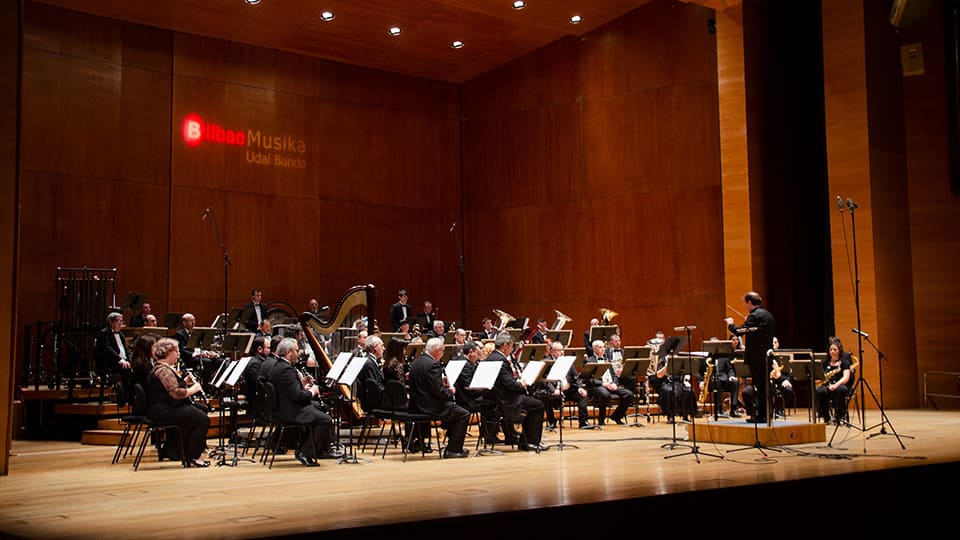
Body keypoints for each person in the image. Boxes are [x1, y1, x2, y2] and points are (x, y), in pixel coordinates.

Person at [266, 337, 340, 466]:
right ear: (289, 352)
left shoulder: (279, 366)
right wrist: (313, 391)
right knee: (325, 420)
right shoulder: (286, 370)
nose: (299, 352)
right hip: (290, 411)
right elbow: (298, 396)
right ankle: (305, 451)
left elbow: (289, 390)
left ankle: (321, 448)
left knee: (322, 408)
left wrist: (302, 384)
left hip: (285, 406)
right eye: (296, 350)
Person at [146, 337, 211, 467]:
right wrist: (193, 389)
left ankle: (183, 451)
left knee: (200, 411)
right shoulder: (163, 370)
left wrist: (184, 382)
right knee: (203, 420)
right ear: (169, 353)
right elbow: (176, 393)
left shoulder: (162, 368)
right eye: (176, 351)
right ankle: (193, 456)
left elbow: (170, 387)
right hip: (164, 410)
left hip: (166, 407)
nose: (178, 354)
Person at [408, 337, 471, 458]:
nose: (443, 354)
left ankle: (453, 446)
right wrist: (450, 391)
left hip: (416, 406)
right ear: (436, 351)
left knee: (455, 412)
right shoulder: (433, 365)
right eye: (442, 350)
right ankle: (453, 449)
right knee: (463, 414)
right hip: (430, 407)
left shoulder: (416, 362)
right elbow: (438, 392)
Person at [485, 332, 546, 452]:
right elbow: (510, 384)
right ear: (505, 346)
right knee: (538, 406)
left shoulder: (490, 357)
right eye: (512, 346)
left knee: (531, 405)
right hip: (507, 400)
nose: (512, 349)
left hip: (496, 399)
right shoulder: (501, 360)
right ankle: (531, 442)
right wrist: (522, 384)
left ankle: (525, 441)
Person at [725, 291, 775, 423]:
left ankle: (761, 416)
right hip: (766, 356)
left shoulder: (755, 316)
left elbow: (739, 332)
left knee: (759, 386)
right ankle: (766, 414)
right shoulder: (767, 315)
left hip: (757, 358)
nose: (744, 306)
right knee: (763, 386)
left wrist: (731, 324)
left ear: (749, 302)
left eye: (745, 303)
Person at [454, 340, 500, 443]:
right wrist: (485, 389)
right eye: (477, 353)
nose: (478, 356)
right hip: (467, 401)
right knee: (494, 402)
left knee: (493, 398)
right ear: (471, 352)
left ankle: (488, 434)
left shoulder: (466, 363)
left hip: (468, 398)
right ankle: (490, 436)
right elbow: (469, 388)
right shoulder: (465, 365)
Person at [582, 340, 632, 425]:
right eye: (600, 347)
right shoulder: (589, 361)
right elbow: (588, 379)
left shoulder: (607, 359)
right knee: (604, 394)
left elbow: (614, 375)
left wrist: (614, 384)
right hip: (597, 386)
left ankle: (617, 416)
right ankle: (601, 419)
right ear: (594, 349)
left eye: (603, 347)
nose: (603, 349)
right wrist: (603, 384)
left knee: (628, 394)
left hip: (610, 384)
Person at [650, 336, 695, 423]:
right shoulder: (663, 358)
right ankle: (670, 415)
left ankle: (686, 414)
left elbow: (686, 370)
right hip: (668, 382)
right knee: (669, 391)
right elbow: (659, 375)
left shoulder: (680, 357)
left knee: (689, 390)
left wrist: (686, 378)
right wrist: (667, 366)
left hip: (679, 382)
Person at [698, 337, 742, 418]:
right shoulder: (705, 358)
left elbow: (730, 369)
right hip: (711, 382)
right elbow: (699, 372)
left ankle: (733, 409)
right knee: (717, 381)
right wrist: (700, 381)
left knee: (734, 382)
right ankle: (719, 410)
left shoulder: (725, 357)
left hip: (724, 380)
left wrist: (731, 376)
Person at [816, 336, 855, 425]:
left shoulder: (844, 361)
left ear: (839, 350)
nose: (832, 352)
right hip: (828, 386)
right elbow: (820, 378)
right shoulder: (825, 363)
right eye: (831, 350)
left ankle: (838, 417)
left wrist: (835, 385)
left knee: (841, 389)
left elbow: (846, 377)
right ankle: (826, 418)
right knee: (821, 391)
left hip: (840, 385)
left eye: (835, 350)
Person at [93, 311, 130, 382]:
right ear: (110, 321)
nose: (120, 323)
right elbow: (108, 348)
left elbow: (124, 350)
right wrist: (120, 359)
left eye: (121, 321)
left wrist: (128, 360)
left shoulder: (121, 335)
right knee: (126, 369)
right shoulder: (104, 333)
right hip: (111, 361)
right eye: (118, 321)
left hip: (122, 360)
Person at [356, 334, 386, 412]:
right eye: (382, 346)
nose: (384, 348)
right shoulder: (369, 363)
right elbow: (374, 386)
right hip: (374, 401)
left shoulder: (370, 360)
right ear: (375, 347)